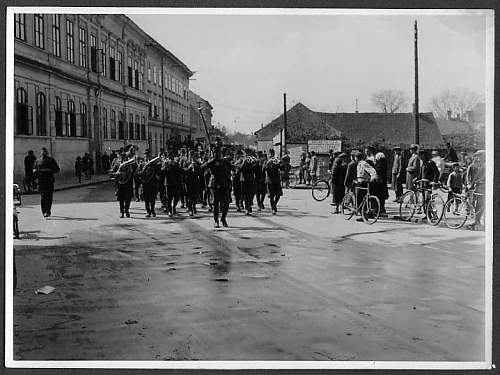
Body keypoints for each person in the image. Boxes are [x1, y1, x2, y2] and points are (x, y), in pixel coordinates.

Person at [202, 147, 232, 228]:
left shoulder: (224, 161)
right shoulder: (211, 162)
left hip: (224, 184)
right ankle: (216, 220)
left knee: (226, 203)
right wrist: (208, 162)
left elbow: (232, 167)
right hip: (214, 184)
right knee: (215, 203)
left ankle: (223, 218)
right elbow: (202, 168)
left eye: (218, 154)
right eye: (215, 154)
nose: (217, 155)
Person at [33, 147, 60, 217]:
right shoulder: (38, 161)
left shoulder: (51, 160)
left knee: (49, 197)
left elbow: (57, 169)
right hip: (41, 181)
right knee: (43, 197)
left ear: (47, 153)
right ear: (41, 153)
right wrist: (35, 171)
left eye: (45, 152)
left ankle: (48, 210)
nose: (44, 153)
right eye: (42, 152)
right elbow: (34, 169)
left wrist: (50, 170)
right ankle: (44, 211)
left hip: (49, 181)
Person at [110, 150, 136, 218]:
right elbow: (112, 172)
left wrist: (132, 170)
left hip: (128, 184)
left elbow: (134, 172)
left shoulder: (130, 164)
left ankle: (126, 210)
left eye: (124, 157)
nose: (123, 158)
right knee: (121, 199)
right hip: (120, 184)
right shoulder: (117, 164)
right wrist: (116, 173)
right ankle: (122, 212)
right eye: (122, 157)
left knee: (128, 198)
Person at [137, 149, 160, 218]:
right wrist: (140, 173)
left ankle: (152, 211)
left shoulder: (153, 163)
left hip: (152, 183)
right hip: (145, 183)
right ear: (144, 156)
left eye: (148, 155)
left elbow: (157, 171)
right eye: (145, 155)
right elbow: (138, 172)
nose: (147, 157)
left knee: (152, 198)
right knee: (146, 198)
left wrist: (157, 175)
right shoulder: (142, 163)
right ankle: (148, 211)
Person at [354, 151, 377, 220]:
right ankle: (363, 213)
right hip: (359, 181)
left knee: (360, 198)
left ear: (357, 158)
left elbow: (372, 170)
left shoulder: (363, 163)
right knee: (360, 198)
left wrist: (373, 178)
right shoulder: (359, 163)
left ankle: (363, 215)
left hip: (363, 182)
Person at [465, 150, 485, 230]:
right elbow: (472, 177)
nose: (478, 158)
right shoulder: (479, 165)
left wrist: (476, 182)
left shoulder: (485, 165)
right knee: (478, 205)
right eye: (477, 156)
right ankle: (477, 221)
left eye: (479, 156)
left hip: (482, 187)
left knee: (480, 205)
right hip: (477, 187)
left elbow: (483, 177)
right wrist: (471, 184)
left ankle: (477, 221)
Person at [162, 151, 184, 217]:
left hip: (176, 183)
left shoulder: (176, 164)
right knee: (169, 198)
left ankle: (174, 207)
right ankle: (169, 211)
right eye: (169, 156)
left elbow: (181, 171)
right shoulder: (165, 164)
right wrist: (165, 166)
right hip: (168, 183)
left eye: (171, 156)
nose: (170, 158)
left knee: (176, 197)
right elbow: (162, 172)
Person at [263, 148, 283, 215]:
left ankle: (274, 205)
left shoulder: (276, 161)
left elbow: (282, 168)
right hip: (270, 181)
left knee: (278, 195)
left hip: (277, 180)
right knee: (271, 196)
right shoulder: (266, 162)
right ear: (268, 155)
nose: (271, 155)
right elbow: (263, 170)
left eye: (272, 154)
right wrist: (267, 164)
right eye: (270, 154)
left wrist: (280, 163)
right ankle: (273, 208)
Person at [183, 150, 201, 216]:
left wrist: (196, 167)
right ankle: (190, 209)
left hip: (196, 182)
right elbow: (183, 171)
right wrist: (189, 168)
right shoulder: (186, 163)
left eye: (193, 155)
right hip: (188, 182)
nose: (192, 157)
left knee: (195, 196)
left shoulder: (197, 163)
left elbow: (200, 172)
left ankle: (194, 206)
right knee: (189, 196)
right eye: (191, 155)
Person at [374, 152, 389, 216]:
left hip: (380, 182)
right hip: (383, 181)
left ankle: (380, 210)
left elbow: (378, 170)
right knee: (382, 197)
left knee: (380, 196)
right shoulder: (384, 162)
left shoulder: (380, 162)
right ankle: (382, 209)